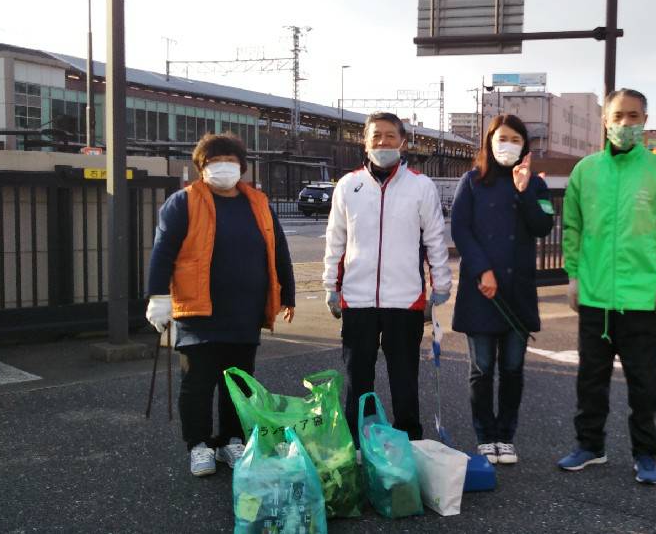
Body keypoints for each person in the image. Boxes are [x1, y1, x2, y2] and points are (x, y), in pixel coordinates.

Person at [557, 89, 656, 485]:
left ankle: (646, 453)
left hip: (642, 298)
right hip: (595, 296)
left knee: (644, 385)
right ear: (605, 120)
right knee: (590, 381)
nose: (625, 123)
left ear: (645, 120)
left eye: (633, 116)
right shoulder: (586, 170)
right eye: (618, 116)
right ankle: (590, 445)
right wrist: (573, 276)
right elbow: (573, 227)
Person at [146, 133, 296, 477]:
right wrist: (158, 297)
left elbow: (278, 250)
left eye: (230, 160)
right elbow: (163, 251)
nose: (223, 167)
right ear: (201, 167)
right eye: (214, 161)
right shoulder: (183, 202)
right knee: (198, 382)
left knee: (239, 381)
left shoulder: (258, 202)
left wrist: (288, 293)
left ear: (242, 166)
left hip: (245, 310)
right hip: (198, 310)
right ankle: (198, 444)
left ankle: (232, 439)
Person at [322, 112, 452, 444]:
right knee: (358, 379)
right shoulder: (348, 186)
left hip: (404, 299)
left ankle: (410, 440)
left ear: (403, 142)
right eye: (376, 136)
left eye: (390, 135)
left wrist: (441, 283)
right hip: (357, 298)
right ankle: (358, 442)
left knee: (404, 378)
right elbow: (336, 239)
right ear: (365, 143)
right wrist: (331, 285)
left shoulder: (420, 186)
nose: (383, 142)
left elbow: (435, 239)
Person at [450, 114, 554, 465]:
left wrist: (524, 192)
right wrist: (483, 270)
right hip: (481, 290)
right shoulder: (472, 181)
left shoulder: (535, 184)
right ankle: (485, 436)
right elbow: (461, 229)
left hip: (517, 291)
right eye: (501, 138)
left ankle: (505, 436)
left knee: (512, 368)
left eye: (515, 139)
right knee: (481, 369)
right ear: (490, 142)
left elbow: (543, 225)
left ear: (525, 146)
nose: (507, 145)